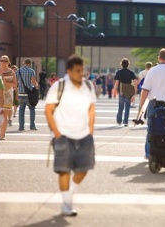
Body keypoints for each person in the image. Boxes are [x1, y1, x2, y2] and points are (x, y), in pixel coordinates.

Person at [45, 55, 96, 216]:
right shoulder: (58, 87)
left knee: (84, 169)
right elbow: (48, 110)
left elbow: (91, 108)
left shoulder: (88, 86)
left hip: (84, 135)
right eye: (77, 70)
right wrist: (57, 133)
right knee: (64, 170)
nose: (81, 73)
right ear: (69, 71)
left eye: (82, 70)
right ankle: (66, 204)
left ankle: (70, 191)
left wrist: (91, 130)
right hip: (64, 135)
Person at [0, 55, 17, 139]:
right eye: (1, 60)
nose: (3, 62)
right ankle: (1, 131)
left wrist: (5, 82)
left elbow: (15, 85)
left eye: (5, 61)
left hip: (7, 95)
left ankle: (2, 134)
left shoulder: (11, 72)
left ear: (8, 62)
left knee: (4, 115)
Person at [16, 58, 38, 131]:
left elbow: (16, 82)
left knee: (21, 110)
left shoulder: (18, 71)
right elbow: (34, 82)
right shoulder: (31, 71)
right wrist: (36, 87)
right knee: (32, 109)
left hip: (21, 93)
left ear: (24, 63)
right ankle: (32, 126)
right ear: (30, 64)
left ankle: (21, 126)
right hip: (29, 94)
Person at [114, 58, 137, 127]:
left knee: (120, 107)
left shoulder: (119, 72)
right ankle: (125, 122)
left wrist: (115, 91)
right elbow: (135, 82)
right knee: (127, 107)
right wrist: (134, 92)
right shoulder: (131, 72)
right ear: (128, 65)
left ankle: (119, 121)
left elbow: (117, 83)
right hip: (128, 92)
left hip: (121, 91)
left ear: (121, 64)